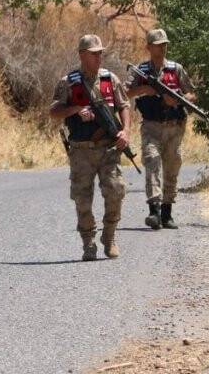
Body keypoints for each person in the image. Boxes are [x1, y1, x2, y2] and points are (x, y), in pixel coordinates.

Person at [48, 35, 131, 261]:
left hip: (108, 148)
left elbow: (124, 105)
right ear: (82, 55)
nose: (98, 56)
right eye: (94, 53)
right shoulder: (68, 82)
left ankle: (110, 235)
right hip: (81, 150)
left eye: (100, 52)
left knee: (115, 190)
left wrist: (125, 131)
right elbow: (54, 111)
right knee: (82, 198)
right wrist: (75, 109)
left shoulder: (109, 79)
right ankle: (88, 242)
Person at [126, 29, 196, 230]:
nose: (162, 47)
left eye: (164, 44)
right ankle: (154, 210)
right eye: (158, 44)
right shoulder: (142, 70)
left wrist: (178, 98)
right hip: (151, 126)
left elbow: (191, 93)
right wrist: (147, 89)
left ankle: (167, 212)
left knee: (172, 166)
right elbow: (126, 92)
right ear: (148, 47)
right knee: (152, 161)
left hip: (174, 127)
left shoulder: (176, 69)